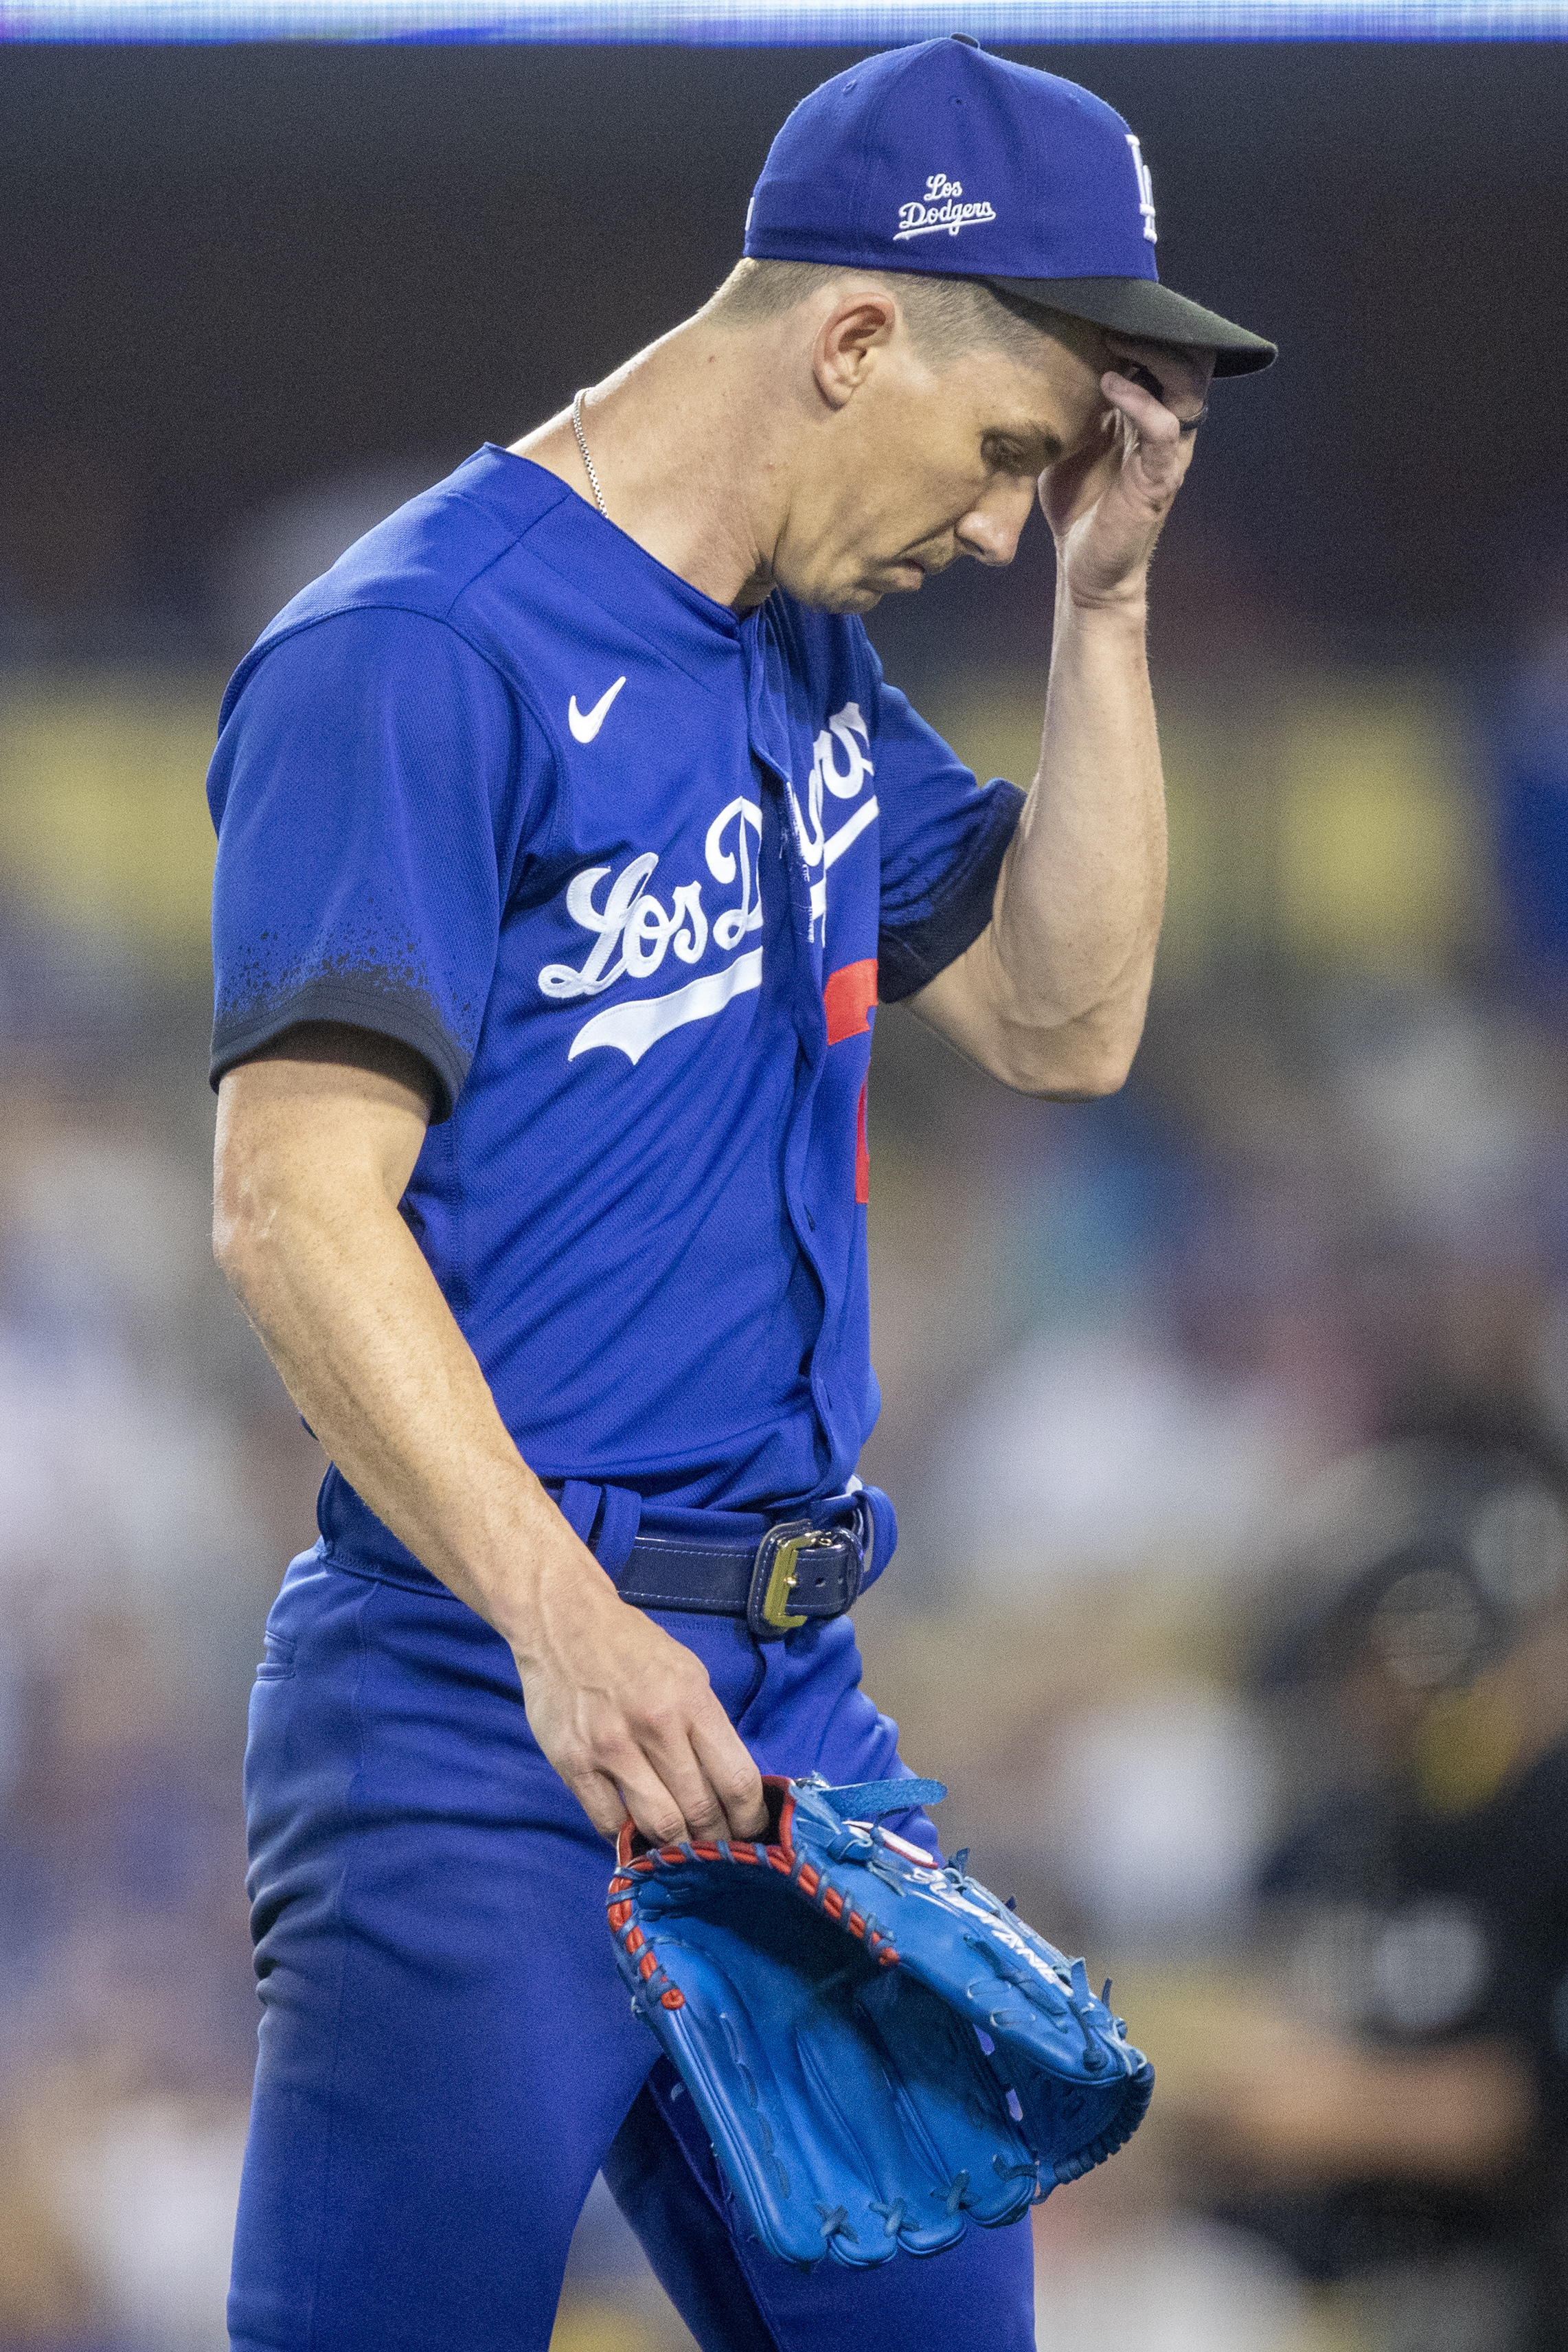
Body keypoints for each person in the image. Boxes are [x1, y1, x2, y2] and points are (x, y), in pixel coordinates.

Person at [207, 37, 1273, 2352]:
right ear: (854, 334)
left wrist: (1102, 617)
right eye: (1009, 451)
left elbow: (1064, 1021)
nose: (1003, 519)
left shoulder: (803, 660)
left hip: (788, 1709)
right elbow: (294, 1204)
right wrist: (563, 1627)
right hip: (479, 1712)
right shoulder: (419, 648)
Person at [1167, 1420, 1568, 2352]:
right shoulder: (1381, 1828)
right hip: (1378, 2268)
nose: (1359, 1706)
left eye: (1370, 1669)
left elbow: (1526, 2109)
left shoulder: (1544, 1815)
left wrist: (1339, 2106)